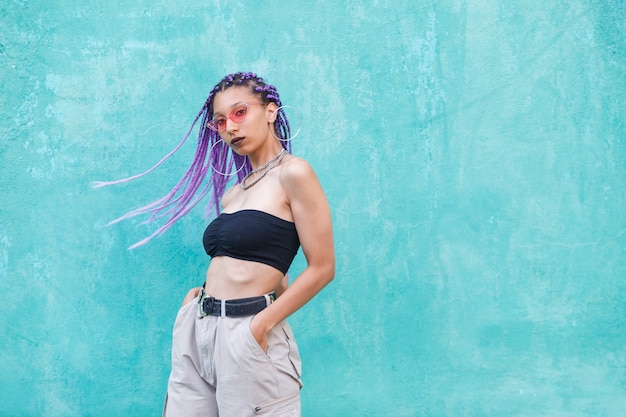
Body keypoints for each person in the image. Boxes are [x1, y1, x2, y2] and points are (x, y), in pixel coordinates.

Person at [95, 71, 335, 416]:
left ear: (271, 111)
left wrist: (262, 324)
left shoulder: (294, 173)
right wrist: (195, 302)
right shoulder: (234, 193)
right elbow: (271, 264)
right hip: (200, 327)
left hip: (247, 331)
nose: (230, 127)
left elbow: (323, 268)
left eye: (240, 113)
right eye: (220, 122)